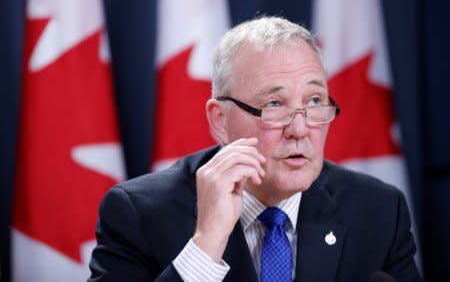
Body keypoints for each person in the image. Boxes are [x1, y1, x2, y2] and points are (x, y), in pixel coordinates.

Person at [88, 16, 421, 282]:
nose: (300, 129)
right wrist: (205, 246)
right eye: (274, 103)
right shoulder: (139, 214)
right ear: (220, 120)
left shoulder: (378, 211)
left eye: (315, 101)